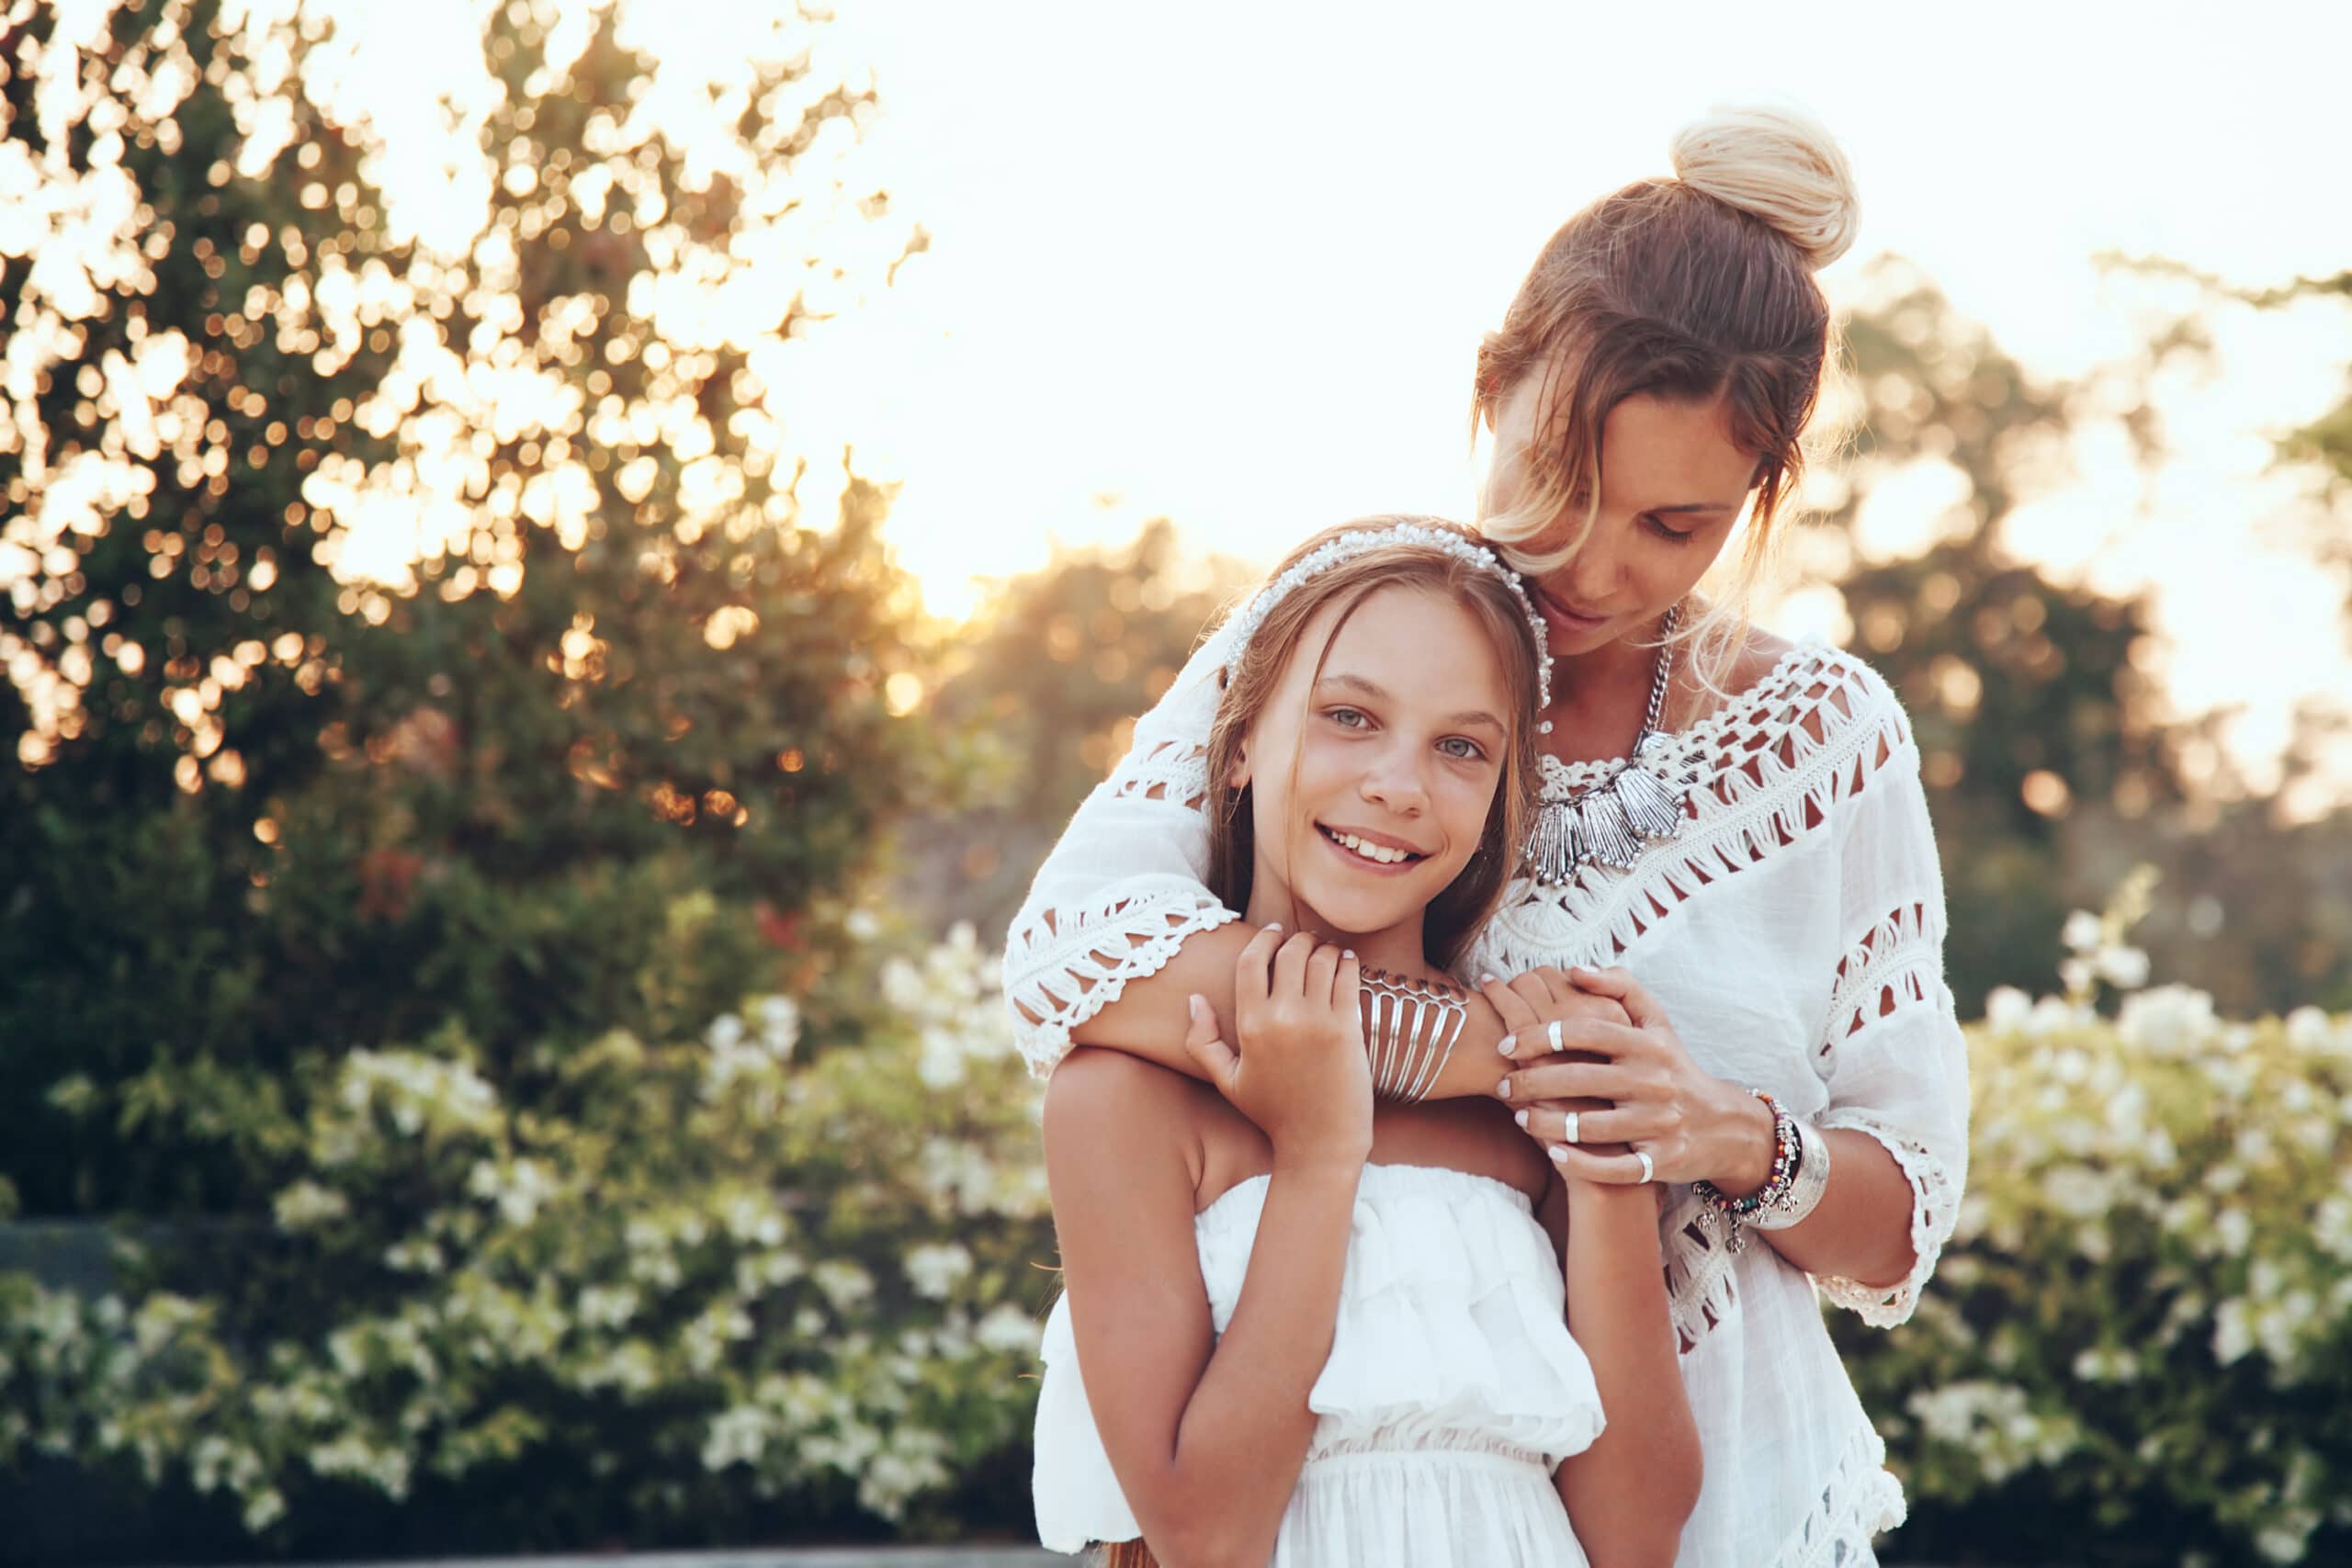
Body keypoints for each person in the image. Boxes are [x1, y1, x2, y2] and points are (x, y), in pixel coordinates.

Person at [1006, 106, 1968, 1567]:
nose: (1590, 561)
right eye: (1560, 477)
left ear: (1756, 501)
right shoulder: (1363, 628)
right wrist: (1499, 1054)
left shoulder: (1829, 743)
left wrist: (1711, 1128)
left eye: (1672, 523)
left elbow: (1899, 1223)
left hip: (1711, 1485)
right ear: (1493, 386)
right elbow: (1075, 953)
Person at [1032, 519, 1702, 1567]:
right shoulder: (1122, 1097)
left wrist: (1607, 1167)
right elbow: (1206, 1536)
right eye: (1349, 717)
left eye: (1461, 748)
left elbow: (1636, 1537)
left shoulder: (1531, 1094)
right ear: (1243, 738)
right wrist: (1317, 1156)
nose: (1399, 783)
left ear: (1500, 798)